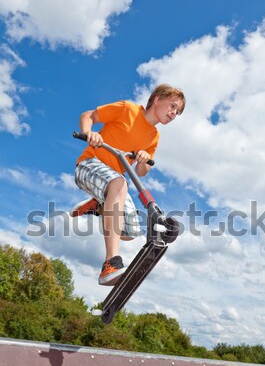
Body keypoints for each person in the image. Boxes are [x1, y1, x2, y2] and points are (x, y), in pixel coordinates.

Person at [71, 84, 186, 286]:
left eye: (177, 112)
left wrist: (142, 161)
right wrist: (90, 133)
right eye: (172, 106)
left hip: (113, 181)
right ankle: (111, 264)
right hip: (89, 165)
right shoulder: (128, 109)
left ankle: (100, 205)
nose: (173, 113)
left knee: (130, 233)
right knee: (119, 182)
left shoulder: (154, 137)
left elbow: (141, 172)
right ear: (157, 99)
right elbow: (88, 115)